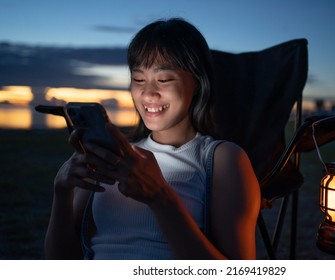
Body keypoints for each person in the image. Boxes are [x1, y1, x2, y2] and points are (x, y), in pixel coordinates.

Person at [44, 18, 260, 260]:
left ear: (198, 82)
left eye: (164, 79)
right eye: (138, 79)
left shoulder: (222, 159)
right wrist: (61, 193)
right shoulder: (115, 155)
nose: (148, 93)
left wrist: (160, 198)